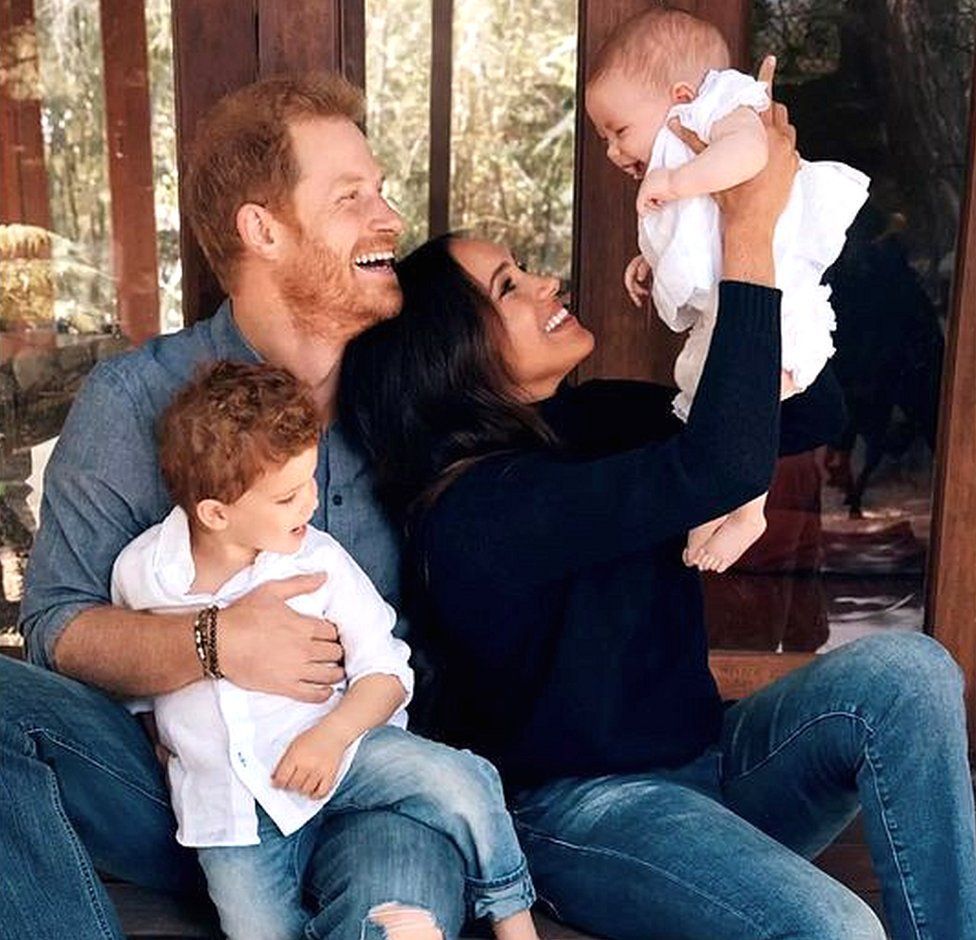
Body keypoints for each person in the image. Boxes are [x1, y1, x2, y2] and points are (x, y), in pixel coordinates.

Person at [339, 79, 976, 940]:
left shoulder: (594, 417)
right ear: (449, 357)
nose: (544, 282)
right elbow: (713, 468)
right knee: (837, 930)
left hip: (715, 762)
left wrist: (770, 232)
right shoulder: (474, 511)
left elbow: (805, 416)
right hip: (588, 815)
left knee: (910, 675)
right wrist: (745, 226)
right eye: (508, 286)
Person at [1, 72, 470, 940]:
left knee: (400, 917)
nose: (390, 217)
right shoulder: (135, 400)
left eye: (381, 190)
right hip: (189, 791)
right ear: (263, 229)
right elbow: (55, 626)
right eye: (351, 197)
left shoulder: (408, 394)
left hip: (368, 779)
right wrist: (214, 645)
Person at [110, 360, 538, 940]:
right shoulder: (142, 574)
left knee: (463, 780)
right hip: (231, 815)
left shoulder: (318, 560)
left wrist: (330, 738)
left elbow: (387, 671)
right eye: (288, 496)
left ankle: (512, 917)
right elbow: (139, 680)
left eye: (311, 479)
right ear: (215, 513)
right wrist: (162, 744)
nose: (310, 504)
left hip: (344, 755)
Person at [585, 8, 869, 573]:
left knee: (752, 396)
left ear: (682, 95)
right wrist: (651, 259)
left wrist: (675, 180)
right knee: (707, 397)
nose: (615, 152)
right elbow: (699, 233)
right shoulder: (684, 149)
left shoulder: (724, 108)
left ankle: (749, 510)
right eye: (603, 139)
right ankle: (717, 500)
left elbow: (750, 156)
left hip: (778, 295)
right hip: (732, 301)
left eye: (619, 131)